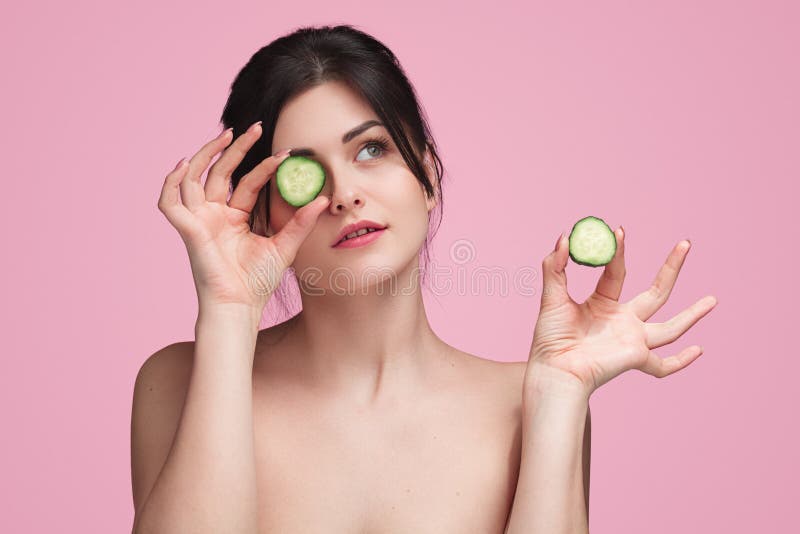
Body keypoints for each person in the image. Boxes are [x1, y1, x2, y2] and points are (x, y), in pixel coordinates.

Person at [130, 24, 717, 534]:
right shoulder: (180, 381)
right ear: (258, 211)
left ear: (427, 175)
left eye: (370, 150)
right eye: (302, 173)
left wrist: (561, 395)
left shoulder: (528, 402)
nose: (345, 194)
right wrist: (230, 312)